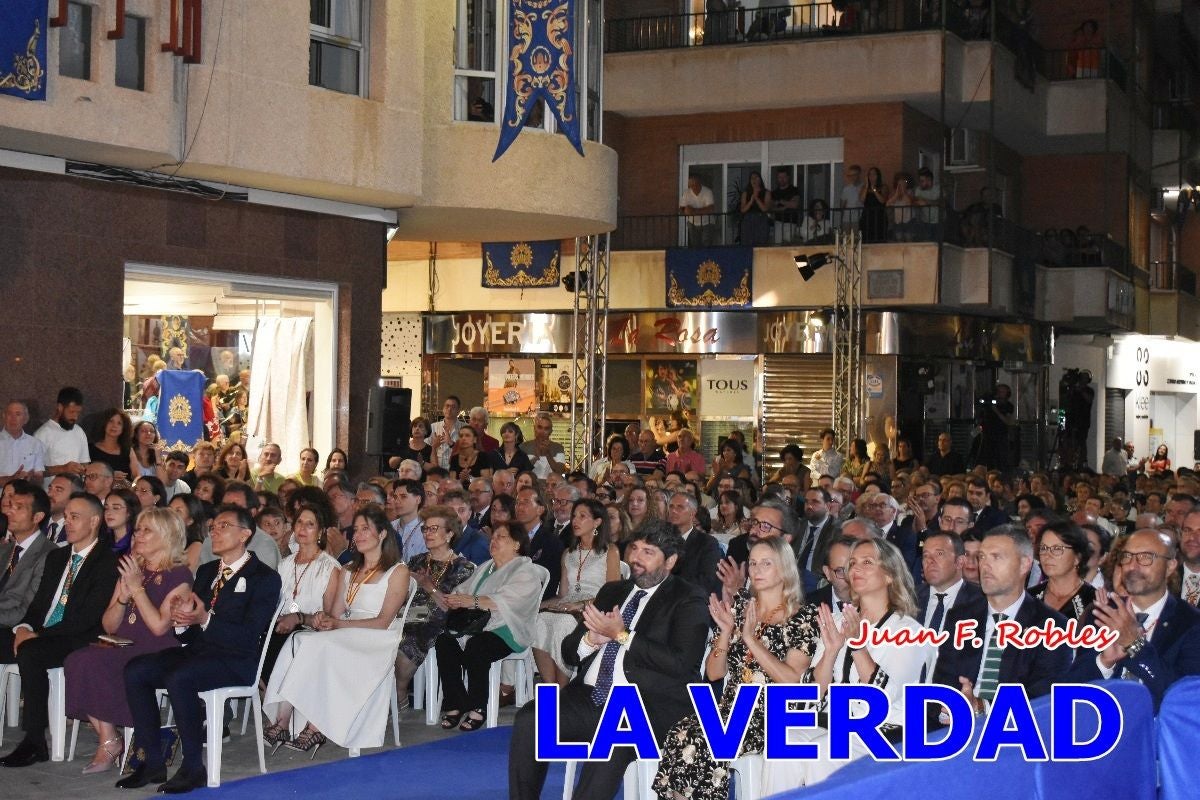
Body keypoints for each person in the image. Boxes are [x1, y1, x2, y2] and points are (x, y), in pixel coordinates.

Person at [509, 519, 709, 800]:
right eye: (635, 549)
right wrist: (591, 640)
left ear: (671, 560)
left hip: (646, 707)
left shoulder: (688, 598)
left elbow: (682, 664)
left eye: (648, 552)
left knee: (613, 739)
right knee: (531, 717)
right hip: (591, 697)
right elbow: (568, 652)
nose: (636, 558)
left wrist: (622, 635)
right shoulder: (612, 591)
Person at [119, 504, 281, 791]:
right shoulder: (206, 571)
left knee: (181, 676)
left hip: (237, 659)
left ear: (244, 534)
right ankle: (152, 761)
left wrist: (204, 618)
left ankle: (193, 766)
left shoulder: (264, 578)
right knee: (137, 669)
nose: (215, 532)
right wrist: (182, 621)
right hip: (200, 653)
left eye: (223, 526)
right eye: (212, 527)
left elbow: (248, 636)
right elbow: (192, 632)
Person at [760, 538, 932, 792]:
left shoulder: (909, 630)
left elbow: (885, 697)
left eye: (867, 562)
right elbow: (811, 694)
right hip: (832, 723)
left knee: (823, 752)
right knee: (781, 744)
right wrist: (830, 652)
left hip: (884, 733)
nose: (856, 569)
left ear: (889, 576)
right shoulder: (837, 619)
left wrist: (857, 645)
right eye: (852, 563)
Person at [655, 536, 818, 800]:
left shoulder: (803, 617)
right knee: (682, 732)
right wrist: (725, 631)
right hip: (729, 708)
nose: (757, 570)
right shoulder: (741, 605)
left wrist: (751, 640)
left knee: (706, 741)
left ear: (785, 568)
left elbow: (793, 682)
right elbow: (714, 673)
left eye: (767, 563)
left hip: (772, 715)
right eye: (753, 563)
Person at [263, 503, 410, 754]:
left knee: (319, 644)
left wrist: (337, 624)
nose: (359, 535)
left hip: (377, 638)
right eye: (356, 529)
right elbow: (336, 613)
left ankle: (316, 725)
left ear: (383, 533)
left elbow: (383, 621)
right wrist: (323, 619)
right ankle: (283, 721)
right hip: (347, 631)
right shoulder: (349, 570)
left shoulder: (398, 571)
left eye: (366, 529)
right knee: (299, 642)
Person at [63, 508, 193, 774]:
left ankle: (109, 742)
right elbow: (109, 625)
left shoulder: (179, 575)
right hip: (121, 642)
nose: (139, 535)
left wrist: (136, 588)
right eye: (138, 529)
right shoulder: (133, 568)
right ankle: (109, 737)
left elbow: (159, 627)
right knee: (77, 659)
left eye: (147, 530)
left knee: (97, 663)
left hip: (156, 648)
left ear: (167, 536)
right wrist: (123, 597)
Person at [0, 492, 119, 768]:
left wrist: (36, 636)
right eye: (66, 517)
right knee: (17, 642)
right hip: (44, 633)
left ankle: (34, 740)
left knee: (31, 652)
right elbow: (39, 604)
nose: (68, 523)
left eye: (75, 517)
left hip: (81, 637)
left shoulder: (107, 561)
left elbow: (89, 617)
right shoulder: (58, 556)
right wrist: (24, 627)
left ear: (94, 521)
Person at [932, 525, 1071, 722]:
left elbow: (1045, 699)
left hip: (1018, 734)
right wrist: (950, 706)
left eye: (996, 557)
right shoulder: (961, 617)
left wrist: (982, 706)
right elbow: (944, 680)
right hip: (956, 726)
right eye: (982, 557)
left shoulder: (1052, 627)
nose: (985, 566)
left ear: (1024, 565)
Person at [1068, 528, 1200, 710]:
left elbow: (1184, 699)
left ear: (1170, 566)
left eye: (1145, 557)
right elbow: (1073, 688)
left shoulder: (1190, 622)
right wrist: (1104, 663)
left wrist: (1136, 646)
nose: (1132, 566)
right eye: (1127, 557)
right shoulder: (1104, 612)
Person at [434, 521, 544, 732]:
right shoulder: (487, 567)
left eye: (501, 537)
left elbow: (506, 602)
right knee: (444, 642)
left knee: (477, 647)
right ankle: (456, 703)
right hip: (478, 624)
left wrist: (471, 601)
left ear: (517, 544)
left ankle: (478, 706)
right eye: (493, 537)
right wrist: (455, 599)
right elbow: (462, 590)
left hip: (509, 628)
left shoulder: (525, 571)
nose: (493, 541)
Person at [531, 498, 622, 687]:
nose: (575, 521)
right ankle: (551, 688)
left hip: (596, 607)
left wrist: (580, 605)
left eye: (582, 516)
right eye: (574, 516)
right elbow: (563, 594)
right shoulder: (568, 553)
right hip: (568, 606)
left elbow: (613, 593)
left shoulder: (610, 551)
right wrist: (540, 605)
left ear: (597, 522)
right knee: (538, 620)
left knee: (563, 622)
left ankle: (563, 689)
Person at [396, 505, 477, 706]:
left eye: (434, 529)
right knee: (384, 628)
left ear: (449, 533)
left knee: (409, 635)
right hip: (405, 614)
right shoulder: (416, 561)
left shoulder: (462, 566)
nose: (428, 533)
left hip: (436, 620)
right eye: (425, 529)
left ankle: (399, 693)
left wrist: (427, 585)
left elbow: (447, 605)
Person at [260, 503, 341, 691]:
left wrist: (297, 618)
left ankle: (275, 700)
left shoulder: (329, 567)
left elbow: (328, 617)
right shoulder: (285, 564)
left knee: (279, 643)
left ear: (320, 531)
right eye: (299, 522)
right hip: (280, 628)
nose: (302, 528)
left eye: (310, 524)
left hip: (309, 631)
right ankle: (269, 693)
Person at [0, 481, 56, 658]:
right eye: (10, 506)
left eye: (19, 507)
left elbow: (26, 610)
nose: (9, 512)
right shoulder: (5, 549)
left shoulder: (50, 554)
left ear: (38, 516)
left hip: (16, 628)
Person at [1029, 520, 1096, 620]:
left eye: (1057, 548)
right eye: (1043, 548)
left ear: (1077, 557)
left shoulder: (1094, 601)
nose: (1047, 555)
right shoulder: (1029, 597)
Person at [666, 491, 723, 597]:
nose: (673, 511)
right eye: (671, 507)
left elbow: (706, 581)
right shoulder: (661, 539)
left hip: (689, 600)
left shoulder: (707, 543)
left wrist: (669, 586)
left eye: (680, 507)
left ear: (693, 513)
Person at [34, 387, 90, 490]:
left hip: (76, 494)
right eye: (71, 412)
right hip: (51, 495)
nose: (75, 417)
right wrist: (63, 468)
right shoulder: (42, 434)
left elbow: (85, 463)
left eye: (78, 413)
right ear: (60, 407)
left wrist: (84, 470)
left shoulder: (79, 432)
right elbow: (35, 471)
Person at [86, 408, 137, 488]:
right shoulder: (90, 449)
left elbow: (137, 477)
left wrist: (133, 488)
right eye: (111, 421)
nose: (114, 426)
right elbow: (85, 473)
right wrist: (109, 475)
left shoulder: (128, 450)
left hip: (124, 495)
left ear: (123, 428)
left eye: (119, 423)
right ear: (104, 423)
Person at [0, 401, 45, 487]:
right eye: (9, 414)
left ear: (25, 419)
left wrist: (31, 478)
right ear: (3, 416)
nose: (13, 418)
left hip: (25, 498)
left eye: (18, 414)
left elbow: (39, 479)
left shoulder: (35, 443)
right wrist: (12, 479)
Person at [977, 383, 1017, 471]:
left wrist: (996, 411)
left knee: (1001, 458)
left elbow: (1007, 421)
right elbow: (980, 402)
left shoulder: (1008, 406)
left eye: (1003, 392)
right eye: (999, 391)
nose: (1000, 393)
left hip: (1000, 435)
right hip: (988, 434)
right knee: (987, 457)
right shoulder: (991, 402)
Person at [521, 412, 567, 480]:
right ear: (534, 428)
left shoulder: (558, 448)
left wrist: (548, 454)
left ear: (551, 431)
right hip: (530, 487)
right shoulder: (524, 447)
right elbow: (521, 472)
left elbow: (559, 471)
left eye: (546, 428)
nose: (542, 431)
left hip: (551, 488)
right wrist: (536, 457)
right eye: (539, 427)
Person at [679, 173, 716, 247]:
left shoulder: (707, 192)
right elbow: (682, 208)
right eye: (690, 184)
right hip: (692, 223)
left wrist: (693, 211)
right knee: (694, 244)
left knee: (706, 243)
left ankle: (707, 258)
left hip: (707, 223)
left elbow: (710, 208)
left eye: (694, 184)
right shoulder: (686, 193)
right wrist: (685, 210)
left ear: (699, 183)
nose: (692, 186)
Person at [102, 487, 139, 555]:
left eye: (116, 508)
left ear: (129, 512)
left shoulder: (137, 541)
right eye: (106, 508)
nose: (109, 512)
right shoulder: (101, 538)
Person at [739, 171, 773, 246]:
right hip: (748, 220)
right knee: (747, 244)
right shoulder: (745, 193)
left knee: (760, 244)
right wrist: (751, 200)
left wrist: (756, 197)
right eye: (752, 178)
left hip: (761, 220)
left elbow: (765, 209)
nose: (754, 180)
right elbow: (743, 209)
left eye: (756, 178)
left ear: (760, 180)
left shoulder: (766, 192)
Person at [428, 396, 463, 470]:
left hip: (457, 471)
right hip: (438, 471)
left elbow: (469, 452)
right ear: (443, 409)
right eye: (447, 406)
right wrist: (434, 446)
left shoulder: (465, 428)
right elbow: (425, 450)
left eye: (453, 407)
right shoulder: (433, 427)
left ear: (458, 411)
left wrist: (451, 443)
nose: (449, 409)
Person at [859, 166, 889, 243]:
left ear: (878, 176)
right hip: (867, 215)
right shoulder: (864, 188)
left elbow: (882, 200)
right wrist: (866, 187)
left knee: (879, 237)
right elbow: (862, 200)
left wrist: (874, 189)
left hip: (879, 215)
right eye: (870, 174)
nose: (871, 177)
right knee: (866, 237)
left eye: (874, 174)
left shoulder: (883, 187)